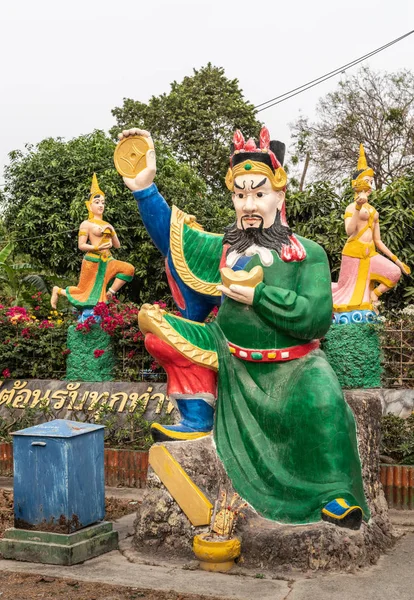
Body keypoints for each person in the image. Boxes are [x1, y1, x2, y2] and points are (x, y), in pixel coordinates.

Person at [120, 126, 369, 528]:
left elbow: (316, 318)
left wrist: (259, 297)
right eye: (240, 194)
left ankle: (333, 492)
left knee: (323, 401)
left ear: (279, 196)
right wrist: (145, 189)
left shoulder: (308, 254)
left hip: (293, 365)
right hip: (228, 352)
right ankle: (198, 415)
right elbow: (173, 237)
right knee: (157, 330)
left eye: (258, 193)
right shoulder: (224, 247)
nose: (248, 204)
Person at [332, 144, 410, 318]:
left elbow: (379, 241)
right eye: (368, 182)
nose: (370, 186)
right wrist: (358, 208)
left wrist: (397, 261)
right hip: (353, 254)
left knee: (393, 273)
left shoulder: (374, 211)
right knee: (345, 291)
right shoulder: (351, 207)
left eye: (371, 182)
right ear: (357, 184)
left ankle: (374, 295)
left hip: (370, 255)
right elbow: (349, 231)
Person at [51, 173, 134, 315]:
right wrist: (97, 247)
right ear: (89, 206)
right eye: (97, 202)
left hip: (108, 260)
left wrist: (112, 231)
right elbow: (81, 245)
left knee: (129, 269)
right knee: (84, 291)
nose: (101, 205)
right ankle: (57, 290)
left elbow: (117, 245)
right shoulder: (86, 224)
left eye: (102, 202)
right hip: (92, 261)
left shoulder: (107, 224)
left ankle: (110, 293)